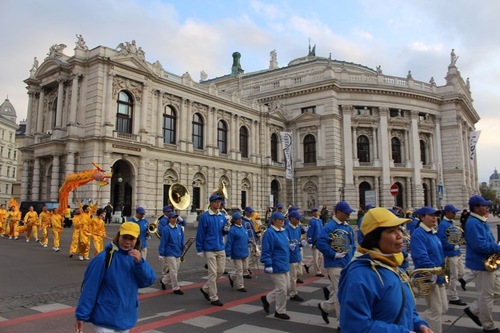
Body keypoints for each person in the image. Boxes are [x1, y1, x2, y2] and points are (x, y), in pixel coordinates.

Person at [338, 208, 433, 333]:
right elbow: (355, 327)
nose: (400, 235)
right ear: (374, 238)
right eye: (391, 231)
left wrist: (419, 324)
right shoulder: (360, 275)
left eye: (399, 229)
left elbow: (404, 308)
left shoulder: (393, 266)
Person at [75, 222, 156, 333]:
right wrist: (81, 316)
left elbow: (148, 281)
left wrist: (140, 263)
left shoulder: (136, 258)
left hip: (126, 317)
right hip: (105, 317)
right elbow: (90, 288)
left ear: (137, 240)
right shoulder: (103, 258)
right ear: (118, 236)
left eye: (131, 239)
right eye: (124, 237)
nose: (127, 242)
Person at [315, 201, 356, 328]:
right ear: (338, 212)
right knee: (340, 293)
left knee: (344, 292)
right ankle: (341, 323)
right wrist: (333, 254)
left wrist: (351, 257)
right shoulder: (329, 226)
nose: (349, 215)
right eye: (346, 213)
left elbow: (352, 244)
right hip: (334, 264)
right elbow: (320, 243)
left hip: (346, 263)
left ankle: (325, 307)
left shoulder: (347, 227)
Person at [463, 195, 500, 333]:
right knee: (486, 296)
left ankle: (473, 310)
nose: (486, 207)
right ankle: (488, 326)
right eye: (483, 205)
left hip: (487, 263)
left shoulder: (480, 221)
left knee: (496, 292)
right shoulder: (473, 223)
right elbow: (480, 246)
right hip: (481, 264)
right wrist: (498, 247)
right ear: (476, 207)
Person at [410, 206, 447, 333]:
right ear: (422, 217)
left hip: (438, 275)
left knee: (443, 307)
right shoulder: (418, 234)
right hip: (428, 275)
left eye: (436, 215)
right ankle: (417, 325)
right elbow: (421, 257)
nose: (435, 218)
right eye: (431, 215)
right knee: (435, 310)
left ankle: (412, 323)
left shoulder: (432, 232)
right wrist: (434, 270)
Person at [196, 194, 228, 306]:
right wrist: (199, 248)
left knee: (221, 271)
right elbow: (201, 233)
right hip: (209, 248)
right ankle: (214, 297)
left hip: (220, 247)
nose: (218, 204)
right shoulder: (205, 216)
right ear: (211, 203)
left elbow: (223, 232)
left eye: (219, 202)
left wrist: (226, 230)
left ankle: (205, 288)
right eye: (216, 202)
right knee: (213, 273)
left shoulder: (222, 216)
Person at [260, 211, 291, 320]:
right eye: (280, 219)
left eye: (283, 219)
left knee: (287, 287)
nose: (282, 221)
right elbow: (266, 250)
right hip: (275, 264)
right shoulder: (269, 233)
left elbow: (285, 245)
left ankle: (267, 299)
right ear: (274, 220)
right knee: (282, 289)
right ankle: (280, 310)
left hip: (285, 263)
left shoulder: (283, 231)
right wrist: (268, 263)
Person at [437, 204, 467, 306]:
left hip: (456, 253)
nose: (455, 214)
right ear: (448, 212)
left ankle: (447, 286)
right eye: (453, 212)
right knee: (453, 275)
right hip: (450, 254)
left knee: (461, 273)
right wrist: (452, 247)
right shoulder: (443, 224)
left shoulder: (451, 222)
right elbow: (442, 239)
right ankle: (453, 297)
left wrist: (458, 243)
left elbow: (454, 236)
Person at [159, 211, 185, 295]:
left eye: (175, 218)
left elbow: (182, 239)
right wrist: (161, 253)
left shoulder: (179, 227)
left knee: (175, 270)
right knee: (173, 271)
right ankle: (176, 288)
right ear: (169, 219)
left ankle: (163, 281)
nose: (174, 219)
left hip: (178, 251)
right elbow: (163, 242)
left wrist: (182, 248)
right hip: (169, 252)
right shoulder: (166, 229)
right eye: (173, 218)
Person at [225, 211, 250, 292]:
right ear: (234, 220)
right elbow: (229, 242)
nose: (239, 220)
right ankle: (240, 286)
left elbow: (245, 237)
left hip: (244, 251)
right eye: (238, 219)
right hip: (236, 252)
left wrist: (249, 241)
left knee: (245, 268)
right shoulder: (232, 230)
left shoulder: (243, 227)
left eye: (240, 218)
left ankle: (232, 277)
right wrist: (228, 254)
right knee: (239, 270)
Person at [286, 210, 307, 301]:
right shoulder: (287, 229)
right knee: (293, 276)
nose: (299, 220)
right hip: (291, 256)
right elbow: (286, 242)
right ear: (292, 219)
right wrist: (290, 245)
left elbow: (299, 238)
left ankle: (289, 287)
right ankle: (293, 293)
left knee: (300, 273)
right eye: (297, 218)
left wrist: (302, 242)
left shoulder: (297, 227)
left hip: (297, 253)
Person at [305, 207, 324, 277]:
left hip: (320, 241)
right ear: (313, 213)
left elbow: (322, 230)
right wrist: (310, 241)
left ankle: (307, 265)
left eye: (317, 211)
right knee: (316, 257)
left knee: (320, 257)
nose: (316, 212)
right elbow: (310, 232)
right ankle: (318, 271)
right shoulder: (312, 221)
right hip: (315, 242)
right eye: (314, 211)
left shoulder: (320, 221)